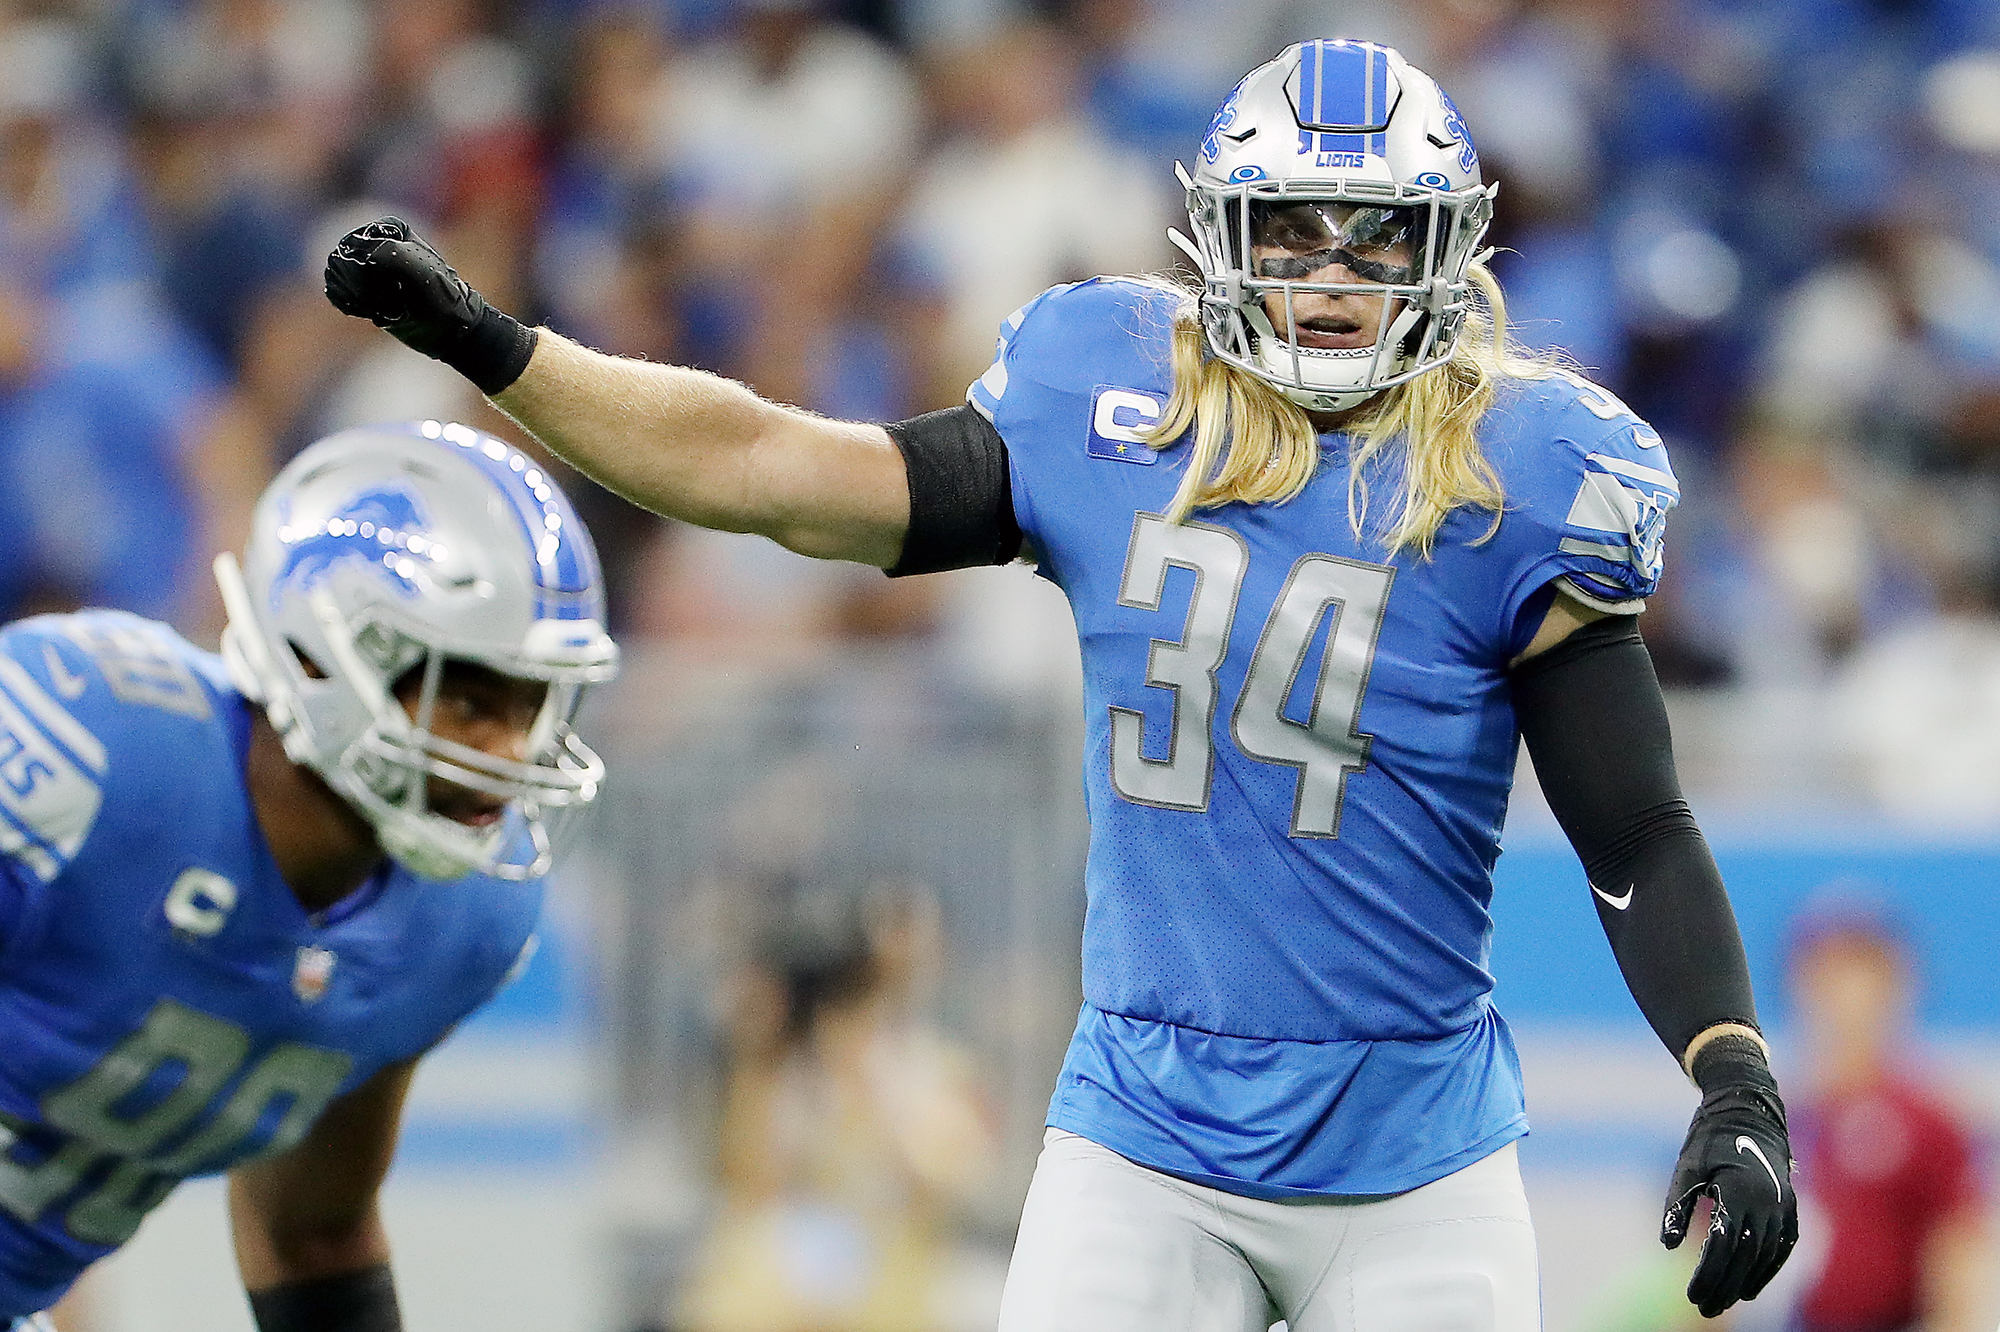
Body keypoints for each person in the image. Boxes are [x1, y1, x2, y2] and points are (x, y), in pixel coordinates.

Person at [324, 38, 1797, 1328]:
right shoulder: (1111, 400)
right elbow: (767, 466)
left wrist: (1733, 1076)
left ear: (1446, 253)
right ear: (1223, 236)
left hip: (1415, 1156)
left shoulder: (1519, 476)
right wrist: (501, 351)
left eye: (1376, 238)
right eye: (1294, 230)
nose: (1334, 279)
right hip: (1147, 1136)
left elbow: (1637, 836)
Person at [0, 420, 618, 1331]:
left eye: (533, 705)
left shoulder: (459, 919)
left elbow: (314, 1240)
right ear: (319, 656)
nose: (508, 754)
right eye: (470, 696)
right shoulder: (95, 750)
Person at [1784, 895, 1994, 1331]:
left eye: (1862, 972)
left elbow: (1956, 1254)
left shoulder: (1928, 1118)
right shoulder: (1764, 1118)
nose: (1845, 993)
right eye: (1827, 971)